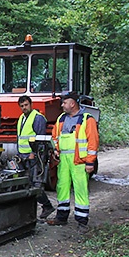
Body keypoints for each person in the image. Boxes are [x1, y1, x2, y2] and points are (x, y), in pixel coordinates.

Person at [47, 91, 99, 233]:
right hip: (63, 160)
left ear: (72, 103)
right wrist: (56, 150)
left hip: (79, 162)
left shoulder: (87, 120)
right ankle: (61, 217)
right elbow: (55, 136)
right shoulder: (61, 119)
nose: (62, 105)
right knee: (62, 188)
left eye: (64, 102)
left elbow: (93, 142)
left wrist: (90, 162)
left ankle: (82, 221)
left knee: (80, 190)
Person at [16, 95, 56, 220]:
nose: (24, 108)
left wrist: (35, 153)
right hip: (23, 156)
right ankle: (31, 211)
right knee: (26, 184)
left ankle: (47, 205)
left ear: (31, 104)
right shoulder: (21, 118)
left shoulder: (38, 118)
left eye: (26, 105)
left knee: (36, 185)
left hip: (34, 157)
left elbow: (40, 139)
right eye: (22, 106)